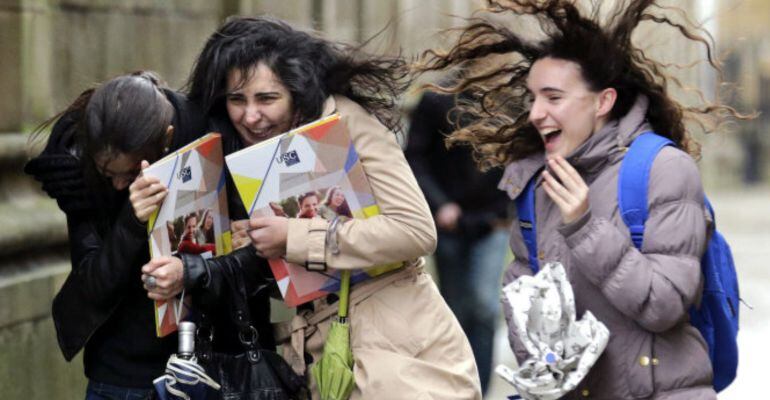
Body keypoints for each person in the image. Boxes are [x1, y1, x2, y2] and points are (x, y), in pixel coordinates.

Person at [416, 0, 747, 398]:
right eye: (533, 97)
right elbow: (523, 301)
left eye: (553, 98)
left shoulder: (663, 169)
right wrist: (544, 365)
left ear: (603, 102)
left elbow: (664, 306)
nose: (536, 112)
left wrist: (585, 225)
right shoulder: (536, 182)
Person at [179, 15, 482, 399]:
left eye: (267, 98)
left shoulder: (346, 121)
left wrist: (292, 236)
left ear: (297, 90)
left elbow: (415, 231)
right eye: (237, 100)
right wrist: (255, 249)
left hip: (399, 361)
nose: (250, 116)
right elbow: (305, 279)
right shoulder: (251, 152)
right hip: (321, 361)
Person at [24, 71, 209, 398]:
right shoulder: (77, 169)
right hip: (121, 373)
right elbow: (92, 285)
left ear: (166, 139)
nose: (120, 185)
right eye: (108, 173)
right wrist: (131, 222)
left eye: (131, 172)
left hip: (202, 362)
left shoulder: (200, 132)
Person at [405, 89, 510, 395]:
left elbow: (519, 157)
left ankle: (480, 388)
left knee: (483, 305)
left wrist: (506, 209)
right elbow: (415, 156)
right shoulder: (436, 99)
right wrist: (440, 205)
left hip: (493, 221)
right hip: (448, 223)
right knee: (455, 309)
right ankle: (458, 385)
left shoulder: (510, 98)